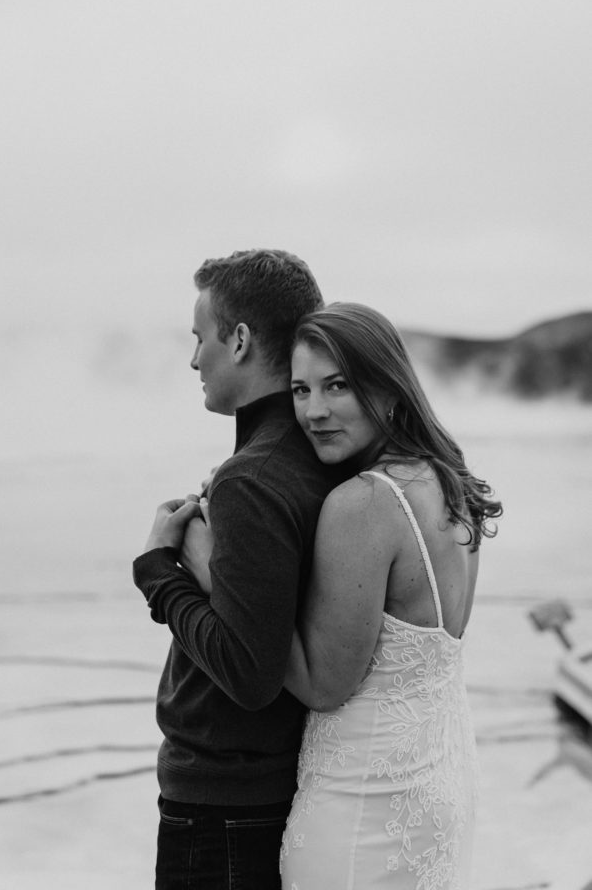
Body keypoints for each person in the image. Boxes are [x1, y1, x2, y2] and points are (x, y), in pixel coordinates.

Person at [182, 302, 502, 890]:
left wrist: (205, 565)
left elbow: (323, 685)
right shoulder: (442, 480)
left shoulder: (364, 503)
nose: (314, 411)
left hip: (365, 806)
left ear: (389, 390)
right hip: (437, 782)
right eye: (301, 390)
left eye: (338, 387)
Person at [132, 250, 350, 890]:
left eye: (200, 339)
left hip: (223, 804)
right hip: (269, 790)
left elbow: (250, 674)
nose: (194, 359)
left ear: (241, 340)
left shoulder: (253, 477)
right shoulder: (313, 455)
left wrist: (157, 573)